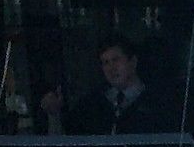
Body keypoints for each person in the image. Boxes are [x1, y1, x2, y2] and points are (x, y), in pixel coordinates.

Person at [39, 34, 175, 135]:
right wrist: (54, 115)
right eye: (105, 63)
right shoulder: (91, 104)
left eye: (116, 60)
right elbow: (66, 146)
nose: (111, 68)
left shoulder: (160, 102)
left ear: (132, 62)